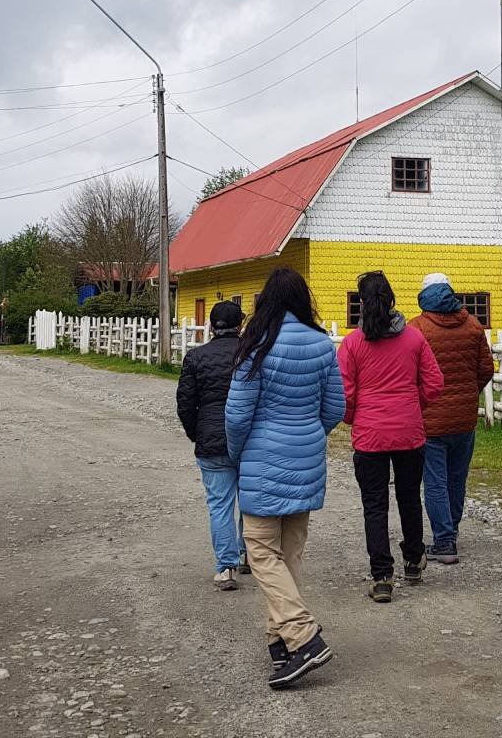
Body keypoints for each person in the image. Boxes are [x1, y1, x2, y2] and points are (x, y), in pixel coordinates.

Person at [225, 268, 344, 689]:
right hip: (307, 455)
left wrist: (239, 454)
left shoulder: (256, 345)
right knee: (290, 553)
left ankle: (304, 636)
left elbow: (238, 415)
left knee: (259, 551)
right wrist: (308, 436)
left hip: (262, 456)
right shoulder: (321, 344)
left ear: (266, 302)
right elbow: (335, 407)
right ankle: (281, 642)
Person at [338, 271, 444, 604]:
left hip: (370, 435)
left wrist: (356, 418)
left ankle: (382, 575)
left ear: (361, 302)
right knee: (410, 497)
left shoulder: (353, 343)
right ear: (393, 299)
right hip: (409, 432)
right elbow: (435, 383)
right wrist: (414, 404)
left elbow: (345, 393)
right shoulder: (413, 339)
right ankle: (413, 560)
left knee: (375, 506)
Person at [409, 273, 494, 564]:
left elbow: (410, 372)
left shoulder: (417, 328)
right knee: (457, 478)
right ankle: (452, 531)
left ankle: (444, 542)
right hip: (464, 418)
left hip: (430, 419)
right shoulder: (472, 325)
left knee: (435, 481)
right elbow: (486, 369)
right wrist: (471, 392)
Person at [176, 300, 248, 592]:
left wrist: (198, 433)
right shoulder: (251, 354)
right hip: (248, 440)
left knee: (220, 504)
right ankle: (250, 554)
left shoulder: (196, 358)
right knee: (250, 502)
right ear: (240, 325)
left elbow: (185, 404)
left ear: (210, 327)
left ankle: (225, 567)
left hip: (211, 439)